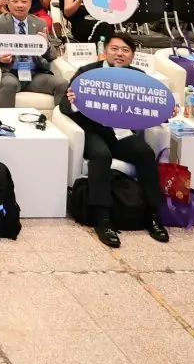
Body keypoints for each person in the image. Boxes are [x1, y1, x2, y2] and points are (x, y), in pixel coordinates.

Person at [59, 32, 171, 248]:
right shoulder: (87, 73)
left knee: (145, 154)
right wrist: (72, 101)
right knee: (101, 156)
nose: (119, 54)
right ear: (105, 51)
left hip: (121, 132)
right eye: (115, 49)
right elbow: (64, 106)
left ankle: (152, 215)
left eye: (125, 50)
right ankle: (103, 219)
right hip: (92, 130)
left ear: (132, 55)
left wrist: (165, 112)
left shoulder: (138, 77)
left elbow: (149, 108)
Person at [0, 0, 66, 107]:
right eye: (15, 1)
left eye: (24, 1)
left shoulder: (40, 23)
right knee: (9, 84)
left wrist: (46, 45)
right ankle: (6, 118)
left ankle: (60, 118)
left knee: (62, 83)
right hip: (10, 72)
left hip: (34, 74)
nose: (20, 5)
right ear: (8, 3)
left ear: (30, 3)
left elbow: (53, 55)